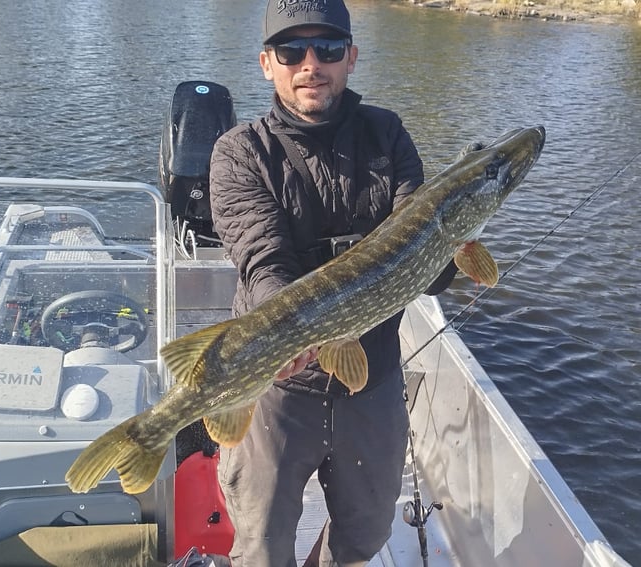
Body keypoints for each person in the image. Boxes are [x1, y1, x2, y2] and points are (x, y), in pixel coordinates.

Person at [207, 1, 456, 565]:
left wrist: (451, 246)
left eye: (328, 49)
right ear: (267, 63)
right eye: (293, 51)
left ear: (352, 58)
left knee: (365, 537)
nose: (310, 64)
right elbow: (262, 260)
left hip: (371, 378)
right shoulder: (240, 153)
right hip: (277, 388)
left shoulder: (386, 134)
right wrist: (292, 338)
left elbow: (429, 265)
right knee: (263, 546)